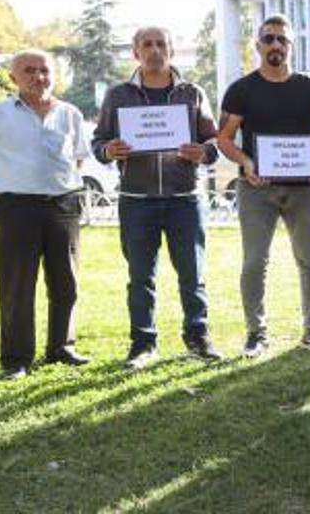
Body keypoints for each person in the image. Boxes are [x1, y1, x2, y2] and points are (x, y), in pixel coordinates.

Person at [93, 27, 222, 369]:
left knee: (192, 274)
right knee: (140, 276)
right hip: (137, 199)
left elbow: (214, 142)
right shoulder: (118, 95)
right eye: (146, 45)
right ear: (135, 53)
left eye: (161, 44)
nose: (154, 50)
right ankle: (143, 343)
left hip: (185, 199)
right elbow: (99, 142)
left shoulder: (191, 92)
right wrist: (109, 149)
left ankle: (198, 336)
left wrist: (203, 153)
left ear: (172, 51)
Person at [217, 15, 310, 358]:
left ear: (291, 46)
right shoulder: (242, 90)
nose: (275, 45)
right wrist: (246, 162)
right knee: (255, 262)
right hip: (256, 188)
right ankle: (256, 334)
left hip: (302, 189)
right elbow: (224, 138)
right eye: (268, 39)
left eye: (281, 40)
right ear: (258, 45)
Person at [0, 50, 92, 379]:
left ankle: (62, 347)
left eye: (44, 70)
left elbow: (78, 159)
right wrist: (0, 188)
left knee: (66, 282)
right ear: (13, 77)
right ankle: (16, 358)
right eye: (29, 70)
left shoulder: (70, 113)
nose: (38, 76)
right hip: (16, 207)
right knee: (17, 284)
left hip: (63, 206)